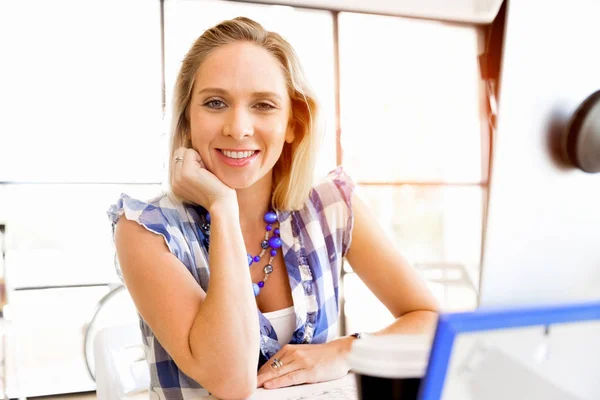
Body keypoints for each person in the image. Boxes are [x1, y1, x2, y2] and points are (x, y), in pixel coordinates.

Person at [108, 16, 438, 400]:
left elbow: (430, 321)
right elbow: (231, 381)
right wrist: (223, 208)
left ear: (293, 123)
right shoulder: (144, 230)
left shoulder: (331, 205)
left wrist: (346, 351)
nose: (238, 127)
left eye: (263, 105)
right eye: (215, 103)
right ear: (187, 118)